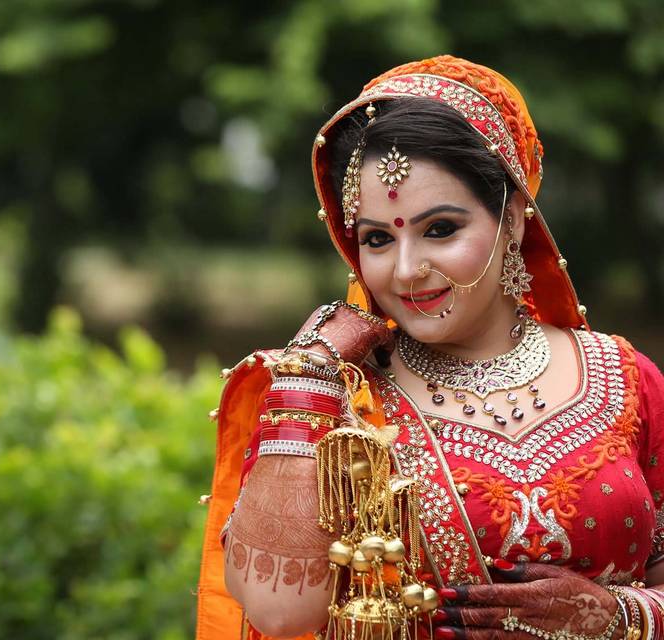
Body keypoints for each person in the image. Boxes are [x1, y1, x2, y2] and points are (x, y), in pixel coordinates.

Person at [194, 55, 664, 640]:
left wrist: (617, 617)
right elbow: (278, 614)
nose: (407, 270)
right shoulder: (335, 397)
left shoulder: (624, 378)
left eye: (440, 229)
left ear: (512, 220)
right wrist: (308, 374)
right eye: (376, 239)